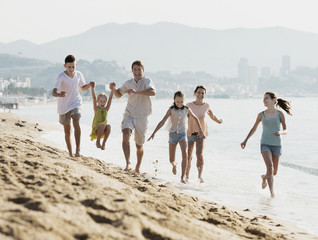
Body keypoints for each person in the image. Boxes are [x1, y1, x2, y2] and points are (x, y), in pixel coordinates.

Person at [241, 92, 292, 197]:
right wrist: (245, 140)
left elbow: (286, 130)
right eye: (263, 98)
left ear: (273, 100)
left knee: (274, 172)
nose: (264, 100)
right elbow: (254, 128)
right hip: (265, 144)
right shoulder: (261, 115)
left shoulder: (280, 114)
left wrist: (280, 133)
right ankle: (272, 193)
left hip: (277, 145)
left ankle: (264, 177)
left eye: (266, 98)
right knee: (270, 166)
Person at [147, 91, 204, 183]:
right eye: (177, 102)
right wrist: (154, 133)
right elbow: (162, 121)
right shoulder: (171, 109)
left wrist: (200, 130)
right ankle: (174, 165)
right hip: (172, 135)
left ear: (184, 101)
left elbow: (196, 118)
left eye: (181, 101)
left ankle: (182, 177)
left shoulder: (186, 109)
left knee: (185, 154)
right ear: (174, 100)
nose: (180, 104)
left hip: (182, 134)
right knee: (171, 159)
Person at [112, 60, 156, 173]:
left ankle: (138, 167)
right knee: (125, 133)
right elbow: (118, 94)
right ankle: (128, 163)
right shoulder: (128, 83)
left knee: (139, 145)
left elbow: (153, 92)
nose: (137, 72)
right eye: (135, 69)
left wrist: (137, 92)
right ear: (132, 71)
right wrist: (113, 89)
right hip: (129, 113)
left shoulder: (147, 81)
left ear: (143, 70)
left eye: (139, 69)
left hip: (142, 116)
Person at [52, 55, 92, 157]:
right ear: (65, 66)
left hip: (76, 102)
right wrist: (59, 94)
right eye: (69, 67)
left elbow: (83, 88)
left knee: (76, 120)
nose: (71, 69)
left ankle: (78, 150)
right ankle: (70, 153)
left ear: (76, 65)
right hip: (64, 106)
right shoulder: (60, 76)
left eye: (73, 66)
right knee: (67, 131)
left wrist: (90, 85)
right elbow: (54, 92)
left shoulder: (79, 75)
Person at [186, 85, 223, 183]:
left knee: (199, 154)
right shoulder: (189, 105)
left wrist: (219, 121)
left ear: (205, 95)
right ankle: (186, 177)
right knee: (188, 156)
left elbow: (212, 115)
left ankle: (200, 176)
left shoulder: (206, 106)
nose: (200, 94)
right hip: (190, 133)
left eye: (202, 93)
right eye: (198, 92)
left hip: (201, 134)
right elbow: (182, 116)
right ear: (195, 93)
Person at [89, 81, 114, 150]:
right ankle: (98, 142)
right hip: (97, 129)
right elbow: (94, 98)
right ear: (97, 101)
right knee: (103, 125)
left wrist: (112, 89)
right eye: (100, 101)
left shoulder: (106, 109)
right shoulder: (96, 108)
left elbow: (110, 99)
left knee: (108, 126)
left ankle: (104, 143)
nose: (102, 103)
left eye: (104, 101)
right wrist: (92, 88)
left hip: (103, 129)